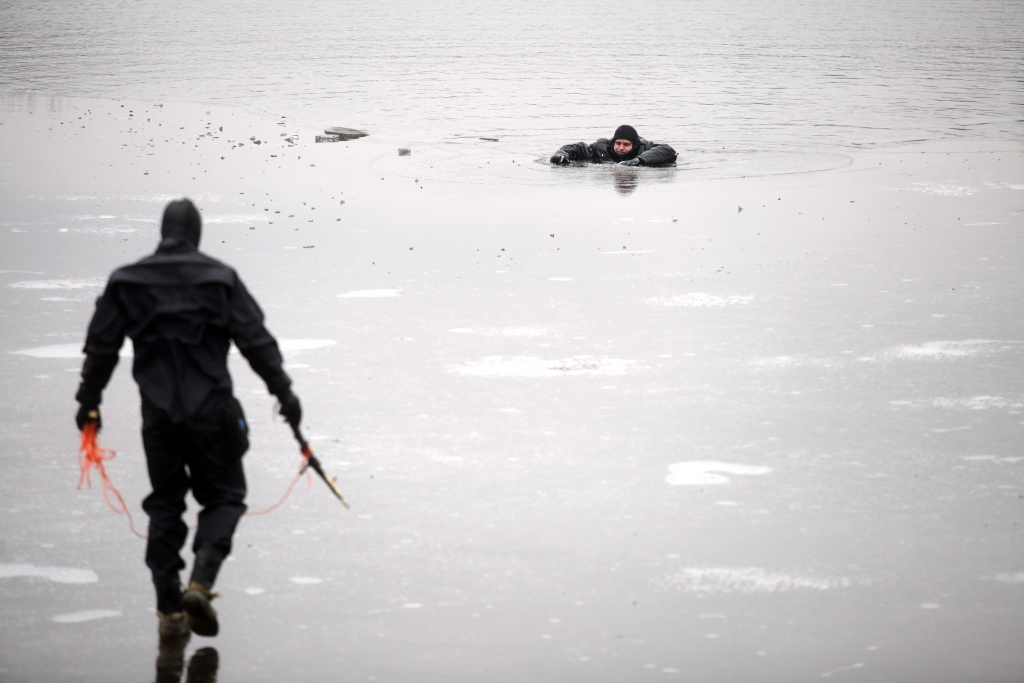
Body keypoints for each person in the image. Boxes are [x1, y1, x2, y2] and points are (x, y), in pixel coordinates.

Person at [74, 198, 302, 641]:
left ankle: (168, 608)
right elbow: (256, 341)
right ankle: (200, 583)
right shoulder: (219, 279)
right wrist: (284, 393)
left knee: (165, 505)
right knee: (225, 498)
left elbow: (101, 348)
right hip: (213, 413)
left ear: (162, 233)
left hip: (159, 418)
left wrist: (89, 404)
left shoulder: (126, 282)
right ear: (197, 234)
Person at [549, 124, 677, 167]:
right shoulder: (602, 147)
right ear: (613, 142)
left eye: (626, 144)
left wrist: (638, 160)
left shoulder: (644, 147)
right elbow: (578, 148)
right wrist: (561, 154)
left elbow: (669, 150)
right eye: (618, 143)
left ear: (635, 145)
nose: (621, 147)